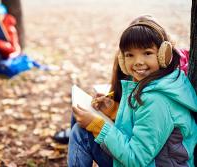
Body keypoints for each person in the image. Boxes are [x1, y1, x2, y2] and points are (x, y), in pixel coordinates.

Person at [68, 15, 197, 167]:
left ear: (164, 55)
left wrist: (98, 126)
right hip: (150, 160)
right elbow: (144, 125)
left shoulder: (157, 101)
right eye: (130, 55)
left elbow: (135, 159)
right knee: (80, 114)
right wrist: (114, 110)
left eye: (147, 53)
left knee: (82, 133)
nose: (138, 62)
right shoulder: (165, 81)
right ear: (122, 59)